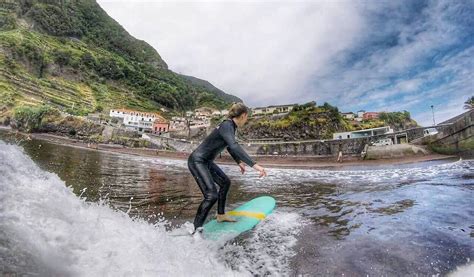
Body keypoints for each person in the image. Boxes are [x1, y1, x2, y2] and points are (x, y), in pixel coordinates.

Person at [187, 103, 267, 234]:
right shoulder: (227, 125)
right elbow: (234, 146)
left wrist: (239, 162)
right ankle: (196, 231)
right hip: (197, 161)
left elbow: (230, 146)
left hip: (205, 161)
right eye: (247, 118)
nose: (246, 120)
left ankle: (221, 215)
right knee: (211, 195)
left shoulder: (230, 126)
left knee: (225, 182)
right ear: (243, 115)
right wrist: (255, 165)